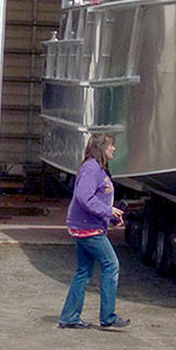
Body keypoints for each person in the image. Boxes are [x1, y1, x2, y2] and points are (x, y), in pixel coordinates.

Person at [58, 133, 129, 330]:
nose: (114, 149)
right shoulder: (91, 168)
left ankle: (70, 317)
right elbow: (84, 197)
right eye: (110, 145)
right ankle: (108, 316)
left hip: (86, 226)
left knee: (84, 271)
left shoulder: (97, 168)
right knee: (111, 265)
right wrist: (108, 210)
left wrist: (111, 216)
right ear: (101, 148)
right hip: (88, 228)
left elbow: (95, 198)